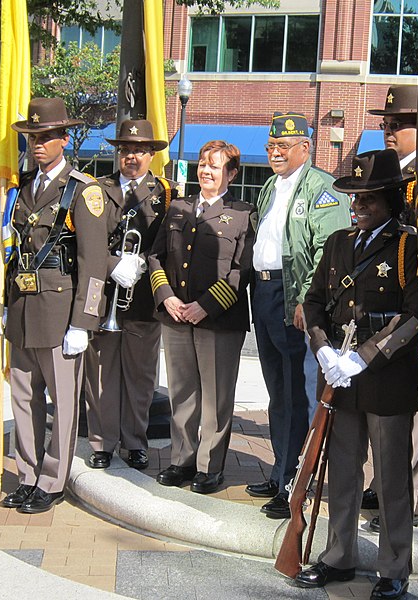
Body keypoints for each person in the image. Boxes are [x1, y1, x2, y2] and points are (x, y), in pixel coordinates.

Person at [297, 149, 418, 600]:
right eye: (355, 198)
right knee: (343, 470)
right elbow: (312, 301)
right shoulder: (339, 243)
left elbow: (415, 315)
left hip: (385, 377)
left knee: (390, 478)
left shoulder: (409, 245)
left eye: (368, 198)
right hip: (339, 375)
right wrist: (322, 347)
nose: (359, 206)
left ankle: (393, 566)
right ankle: (338, 555)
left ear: (391, 199)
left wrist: (366, 355)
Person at [0, 97, 109, 514]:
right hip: (23, 311)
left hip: (61, 316)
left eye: (45, 137)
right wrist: (4, 305)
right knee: (24, 397)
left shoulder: (83, 190)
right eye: (31, 137)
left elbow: (94, 264)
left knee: (62, 401)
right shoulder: (23, 188)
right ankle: (27, 474)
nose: (36, 145)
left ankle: (52, 479)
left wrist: (84, 322)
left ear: (63, 139)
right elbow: (14, 251)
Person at [246, 111, 351, 519]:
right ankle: (279, 470)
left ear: (305, 148)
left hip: (295, 297)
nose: (274, 153)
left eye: (283, 146)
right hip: (265, 290)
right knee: (277, 391)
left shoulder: (322, 189)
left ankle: (298, 481)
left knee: (300, 393)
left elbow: (328, 252)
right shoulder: (271, 186)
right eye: (271, 146)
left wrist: (306, 302)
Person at [148, 141, 255, 494]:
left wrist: (206, 305)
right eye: (202, 165)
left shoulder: (242, 214)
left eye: (215, 166)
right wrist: (167, 297)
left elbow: (242, 270)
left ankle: (210, 466)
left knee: (215, 397)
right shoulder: (178, 207)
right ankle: (182, 459)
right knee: (182, 393)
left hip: (218, 320)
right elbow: (156, 257)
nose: (206, 172)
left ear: (232, 173)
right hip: (176, 316)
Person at [83, 119, 176, 472]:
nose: (131, 156)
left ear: (151, 154)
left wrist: (144, 264)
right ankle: (102, 442)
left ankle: (135, 442)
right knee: (102, 377)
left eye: (138, 150)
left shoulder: (166, 192)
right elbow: (86, 245)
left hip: (141, 301)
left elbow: (169, 244)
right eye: (125, 149)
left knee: (140, 377)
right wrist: (112, 263)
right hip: (102, 297)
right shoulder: (96, 189)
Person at [363, 85, 418, 531]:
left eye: (399, 124)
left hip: (414, 312)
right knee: (385, 413)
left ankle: (408, 504)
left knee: (411, 420)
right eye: (386, 123)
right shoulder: (387, 175)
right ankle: (386, 487)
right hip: (379, 308)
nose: (389, 130)